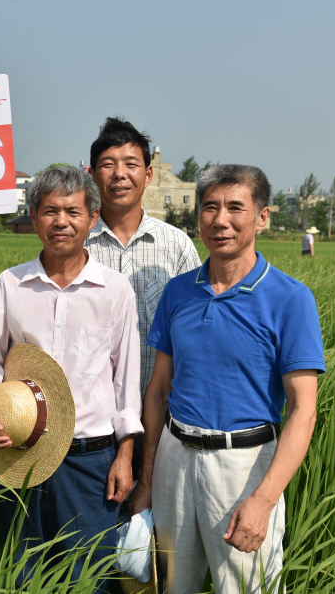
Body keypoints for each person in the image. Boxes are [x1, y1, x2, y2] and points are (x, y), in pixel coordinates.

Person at [128, 164, 325, 594]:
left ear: (262, 217)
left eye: (236, 207)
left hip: (243, 466)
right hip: (175, 458)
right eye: (210, 207)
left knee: (246, 587)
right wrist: (147, 480)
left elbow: (303, 411)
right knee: (172, 585)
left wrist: (263, 500)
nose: (220, 220)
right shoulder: (178, 292)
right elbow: (158, 392)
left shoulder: (290, 299)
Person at [0, 164, 142, 591]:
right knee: (21, 572)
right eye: (49, 211)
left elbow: (126, 380)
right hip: (20, 451)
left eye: (72, 212)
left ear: (93, 217)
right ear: (33, 216)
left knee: (89, 578)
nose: (61, 222)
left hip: (90, 460)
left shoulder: (115, 290)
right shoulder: (11, 284)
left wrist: (125, 455)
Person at [85, 117, 201, 474]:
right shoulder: (75, 245)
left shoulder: (177, 246)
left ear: (148, 175)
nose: (119, 174)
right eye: (108, 165)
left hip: (163, 420)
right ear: (92, 174)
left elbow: (197, 331)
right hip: (90, 426)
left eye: (131, 164)